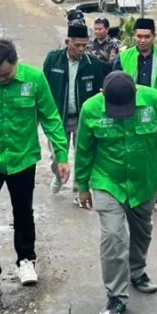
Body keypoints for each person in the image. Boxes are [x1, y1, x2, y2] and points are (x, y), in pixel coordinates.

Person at [0, 38, 68, 297]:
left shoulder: (34, 79)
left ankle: (26, 260)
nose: (2, 80)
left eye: (7, 74)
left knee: (23, 211)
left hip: (22, 156)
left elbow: (50, 117)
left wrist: (62, 154)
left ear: (16, 61)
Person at [75, 72, 157, 314]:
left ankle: (137, 271)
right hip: (107, 180)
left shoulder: (154, 100)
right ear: (103, 95)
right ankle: (116, 295)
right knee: (113, 235)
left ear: (136, 92)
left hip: (144, 180)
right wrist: (82, 185)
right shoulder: (91, 109)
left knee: (142, 230)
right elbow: (83, 149)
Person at [114, 18, 157, 212]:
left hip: (156, 115)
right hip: (129, 114)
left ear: (154, 37)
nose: (142, 40)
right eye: (139, 36)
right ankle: (130, 194)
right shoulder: (123, 58)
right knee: (131, 154)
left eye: (146, 37)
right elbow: (113, 85)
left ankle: (153, 195)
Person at [43, 24, 109, 201]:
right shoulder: (53, 60)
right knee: (57, 154)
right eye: (77, 45)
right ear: (67, 42)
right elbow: (43, 89)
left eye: (84, 46)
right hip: (58, 118)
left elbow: (99, 96)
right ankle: (58, 175)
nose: (81, 49)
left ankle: (80, 186)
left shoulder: (93, 65)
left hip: (83, 119)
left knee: (84, 155)